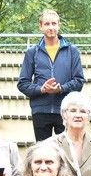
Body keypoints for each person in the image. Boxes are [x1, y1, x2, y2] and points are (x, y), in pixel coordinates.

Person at [17, 8, 85, 142]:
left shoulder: (72, 51)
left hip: (65, 110)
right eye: (47, 24)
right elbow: (23, 83)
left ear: (59, 25)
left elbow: (79, 81)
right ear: (41, 26)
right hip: (40, 110)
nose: (51, 27)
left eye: (54, 24)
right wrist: (41, 89)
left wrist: (62, 88)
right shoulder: (32, 52)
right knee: (43, 151)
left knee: (66, 152)